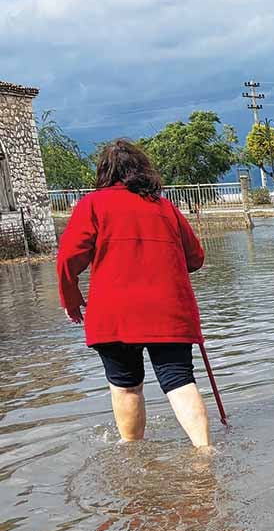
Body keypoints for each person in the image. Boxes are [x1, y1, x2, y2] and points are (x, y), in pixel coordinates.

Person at [57, 140, 211, 448]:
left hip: (113, 315)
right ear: (142, 170)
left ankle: (133, 455)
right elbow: (195, 258)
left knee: (126, 386)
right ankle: (205, 452)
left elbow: (68, 259)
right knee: (179, 381)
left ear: (104, 171)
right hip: (168, 311)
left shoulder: (92, 205)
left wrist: (71, 300)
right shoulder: (165, 207)